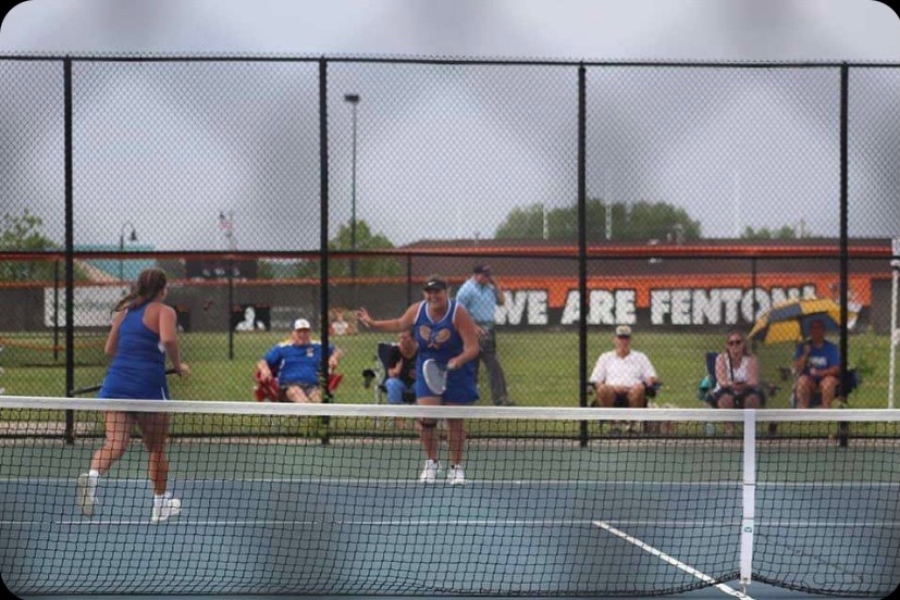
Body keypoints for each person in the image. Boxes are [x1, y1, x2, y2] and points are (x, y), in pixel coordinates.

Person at [76, 267, 191, 523]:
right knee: (156, 448)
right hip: (148, 388)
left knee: (115, 443)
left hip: (115, 385)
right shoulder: (165, 311)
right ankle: (160, 504)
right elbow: (169, 340)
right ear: (162, 289)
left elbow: (109, 349)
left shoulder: (125, 312)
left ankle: (92, 478)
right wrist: (178, 365)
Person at [357, 275, 480, 485]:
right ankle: (432, 462)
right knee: (426, 420)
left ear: (446, 292)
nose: (433, 296)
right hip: (428, 369)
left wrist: (459, 360)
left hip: (456, 371)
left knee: (454, 421)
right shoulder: (417, 310)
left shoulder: (458, 312)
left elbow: (473, 347)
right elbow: (398, 323)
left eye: (437, 291)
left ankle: (456, 467)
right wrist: (373, 323)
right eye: (429, 292)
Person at [455, 264, 513, 406]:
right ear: (476, 275)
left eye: (489, 275)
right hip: (474, 329)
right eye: (485, 275)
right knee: (477, 364)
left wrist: (496, 284)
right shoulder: (466, 290)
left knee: (491, 364)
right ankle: (473, 397)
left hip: (488, 329)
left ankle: (498, 398)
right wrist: (473, 327)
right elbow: (458, 312)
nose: (488, 278)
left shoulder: (490, 288)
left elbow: (502, 301)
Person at [256, 318, 343, 403]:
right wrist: (265, 369)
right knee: (299, 395)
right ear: (293, 333)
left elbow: (337, 350)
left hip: (312, 386)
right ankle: (308, 414)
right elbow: (263, 361)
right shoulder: (282, 348)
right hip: (289, 386)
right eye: (299, 332)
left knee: (317, 398)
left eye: (305, 332)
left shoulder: (317, 346)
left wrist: (333, 358)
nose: (303, 335)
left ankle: (311, 415)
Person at [589, 325, 658, 432]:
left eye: (626, 338)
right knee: (603, 389)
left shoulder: (640, 357)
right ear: (615, 339)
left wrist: (641, 385)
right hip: (611, 393)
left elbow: (652, 378)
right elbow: (595, 380)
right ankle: (614, 426)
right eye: (620, 338)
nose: (623, 341)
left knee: (639, 389)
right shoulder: (605, 357)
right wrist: (613, 388)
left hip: (633, 392)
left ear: (630, 340)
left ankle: (631, 426)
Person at [792, 318, 841, 408]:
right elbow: (797, 368)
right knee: (802, 381)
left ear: (823, 330)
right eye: (813, 328)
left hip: (826, 377)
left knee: (829, 382)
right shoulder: (803, 347)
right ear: (810, 331)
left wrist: (820, 373)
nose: (816, 331)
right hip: (809, 379)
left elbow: (836, 368)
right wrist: (805, 354)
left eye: (819, 328)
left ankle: (825, 412)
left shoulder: (831, 348)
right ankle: (804, 412)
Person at [384, 330, 418, 427]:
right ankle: (398, 419)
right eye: (400, 338)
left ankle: (420, 420)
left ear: (413, 340)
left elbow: (427, 372)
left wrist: (419, 375)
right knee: (392, 383)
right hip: (400, 382)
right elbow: (390, 373)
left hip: (416, 383)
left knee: (422, 386)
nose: (402, 341)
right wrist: (396, 371)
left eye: (405, 338)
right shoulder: (395, 350)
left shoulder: (421, 351)